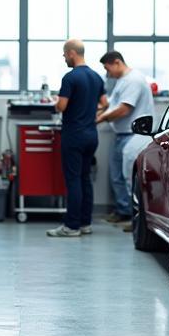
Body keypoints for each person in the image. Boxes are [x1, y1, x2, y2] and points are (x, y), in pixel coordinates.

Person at [47, 38, 105, 239]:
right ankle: (85, 223)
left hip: (74, 135)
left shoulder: (70, 78)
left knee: (73, 180)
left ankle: (71, 226)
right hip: (91, 135)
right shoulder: (97, 77)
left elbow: (62, 107)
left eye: (64, 54)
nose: (64, 58)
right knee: (85, 178)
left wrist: (56, 102)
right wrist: (88, 111)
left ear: (72, 52)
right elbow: (104, 103)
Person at [96, 51, 156, 229]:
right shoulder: (122, 80)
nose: (107, 74)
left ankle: (135, 218)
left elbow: (123, 109)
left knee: (130, 178)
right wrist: (95, 111)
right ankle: (123, 211)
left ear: (116, 62)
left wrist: (99, 119)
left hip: (135, 136)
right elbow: (111, 105)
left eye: (107, 69)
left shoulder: (133, 80)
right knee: (117, 177)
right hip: (121, 135)